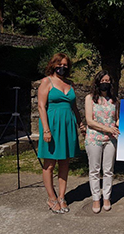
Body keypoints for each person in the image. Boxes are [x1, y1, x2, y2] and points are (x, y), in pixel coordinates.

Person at [38, 53, 85, 214]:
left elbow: (74, 107)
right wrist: (46, 129)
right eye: (60, 64)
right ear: (53, 64)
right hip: (52, 125)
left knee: (65, 162)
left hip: (67, 126)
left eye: (65, 65)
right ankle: (51, 198)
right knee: (50, 163)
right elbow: (41, 106)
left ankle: (62, 196)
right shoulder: (46, 82)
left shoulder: (69, 84)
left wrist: (80, 124)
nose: (62, 67)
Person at [85, 70, 120, 214]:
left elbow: (117, 119)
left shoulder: (114, 100)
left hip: (110, 139)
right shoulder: (90, 98)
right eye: (102, 81)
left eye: (108, 81)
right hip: (94, 138)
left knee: (108, 170)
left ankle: (106, 197)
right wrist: (107, 128)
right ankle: (95, 198)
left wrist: (123, 121)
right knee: (94, 170)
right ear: (97, 82)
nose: (105, 83)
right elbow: (89, 121)